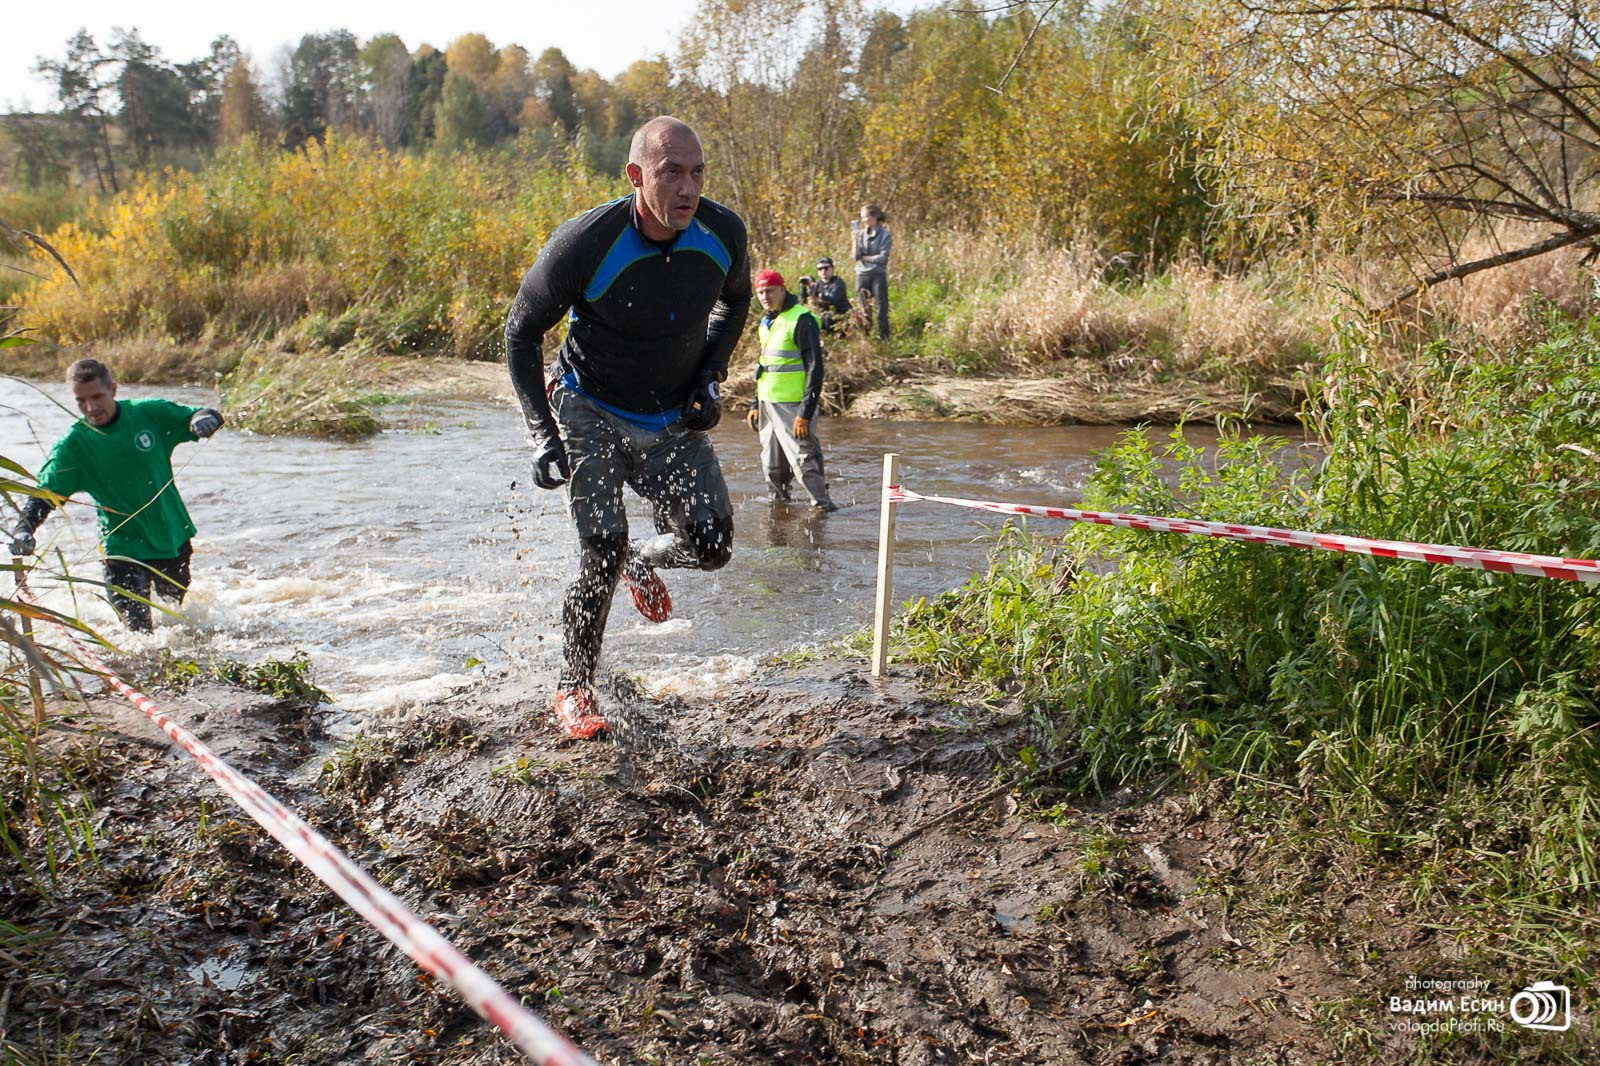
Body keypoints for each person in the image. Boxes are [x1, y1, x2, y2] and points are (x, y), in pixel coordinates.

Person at [504, 115, 751, 741]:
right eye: (672, 172)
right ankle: (575, 686)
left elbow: (736, 300)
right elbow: (520, 333)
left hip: (672, 416)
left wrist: (710, 378)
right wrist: (542, 432)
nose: (688, 188)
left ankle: (637, 558)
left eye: (697, 172)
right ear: (636, 176)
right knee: (600, 549)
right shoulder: (585, 242)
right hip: (591, 407)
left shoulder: (722, 232)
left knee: (712, 547)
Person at [8, 358, 224, 632]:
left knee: (175, 622)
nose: (91, 407)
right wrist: (24, 529)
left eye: (97, 397)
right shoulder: (73, 445)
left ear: (113, 389)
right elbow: (43, 496)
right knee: (139, 636)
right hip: (121, 549)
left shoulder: (148, 414)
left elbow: (201, 415)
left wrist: (205, 419)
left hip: (171, 537)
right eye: (81, 401)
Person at [744, 270, 837, 513]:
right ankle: (779, 513)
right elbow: (764, 366)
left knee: (803, 462)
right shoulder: (767, 322)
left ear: (783, 290)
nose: (765, 296)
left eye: (770, 291)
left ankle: (823, 509)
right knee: (772, 467)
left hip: (794, 406)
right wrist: (755, 404)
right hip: (767, 404)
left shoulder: (801, 319)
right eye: (761, 292)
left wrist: (805, 414)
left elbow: (816, 370)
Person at [852, 203, 892, 339]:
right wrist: (855, 241)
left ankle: (884, 337)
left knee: (881, 307)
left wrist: (865, 258)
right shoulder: (861, 234)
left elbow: (883, 258)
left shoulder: (885, 235)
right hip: (862, 274)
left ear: (874, 216)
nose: (863, 220)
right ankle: (865, 337)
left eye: (866, 217)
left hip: (878, 274)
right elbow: (855, 257)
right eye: (862, 218)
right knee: (863, 308)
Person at [803, 256, 851, 335]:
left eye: (826, 268)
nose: (823, 271)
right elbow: (804, 302)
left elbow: (832, 299)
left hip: (840, 315)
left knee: (827, 318)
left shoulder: (838, 283)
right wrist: (806, 288)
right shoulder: (818, 284)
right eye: (820, 269)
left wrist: (818, 294)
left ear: (832, 269)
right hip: (823, 315)